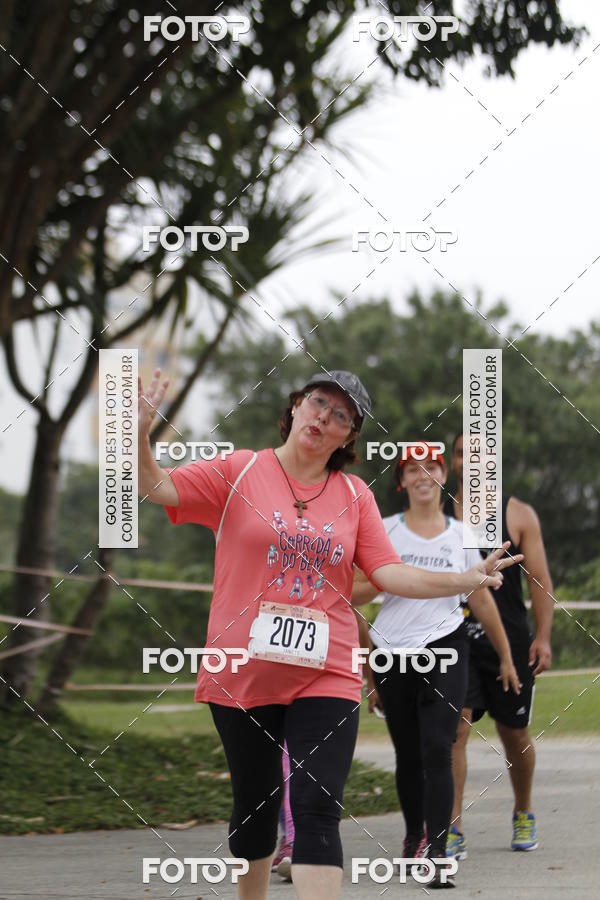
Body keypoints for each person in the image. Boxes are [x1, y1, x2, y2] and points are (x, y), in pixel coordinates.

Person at [138, 369, 522, 900]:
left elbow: (387, 574)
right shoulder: (238, 470)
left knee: (318, 812)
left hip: (328, 671)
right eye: (318, 402)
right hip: (243, 672)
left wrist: (464, 579)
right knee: (255, 812)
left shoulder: (354, 496)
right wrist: (139, 436)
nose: (324, 416)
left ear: (349, 436)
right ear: (296, 407)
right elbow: (155, 486)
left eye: (341, 414)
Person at [352, 444, 520, 889]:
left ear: (444, 476)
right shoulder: (382, 531)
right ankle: (412, 838)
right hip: (391, 652)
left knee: (438, 748)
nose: (423, 476)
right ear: (401, 481)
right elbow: (352, 593)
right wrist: (385, 579)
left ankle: (439, 852)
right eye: (412, 469)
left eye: (432, 467)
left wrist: (504, 654)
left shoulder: (461, 534)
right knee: (408, 755)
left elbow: (480, 597)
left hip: (446, 646)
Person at [444, 433, 554, 857]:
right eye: (460, 454)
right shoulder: (435, 514)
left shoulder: (518, 514)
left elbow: (540, 581)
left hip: (508, 641)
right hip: (453, 638)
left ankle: (523, 809)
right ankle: (450, 826)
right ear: (452, 462)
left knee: (514, 733)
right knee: (455, 729)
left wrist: (542, 637)